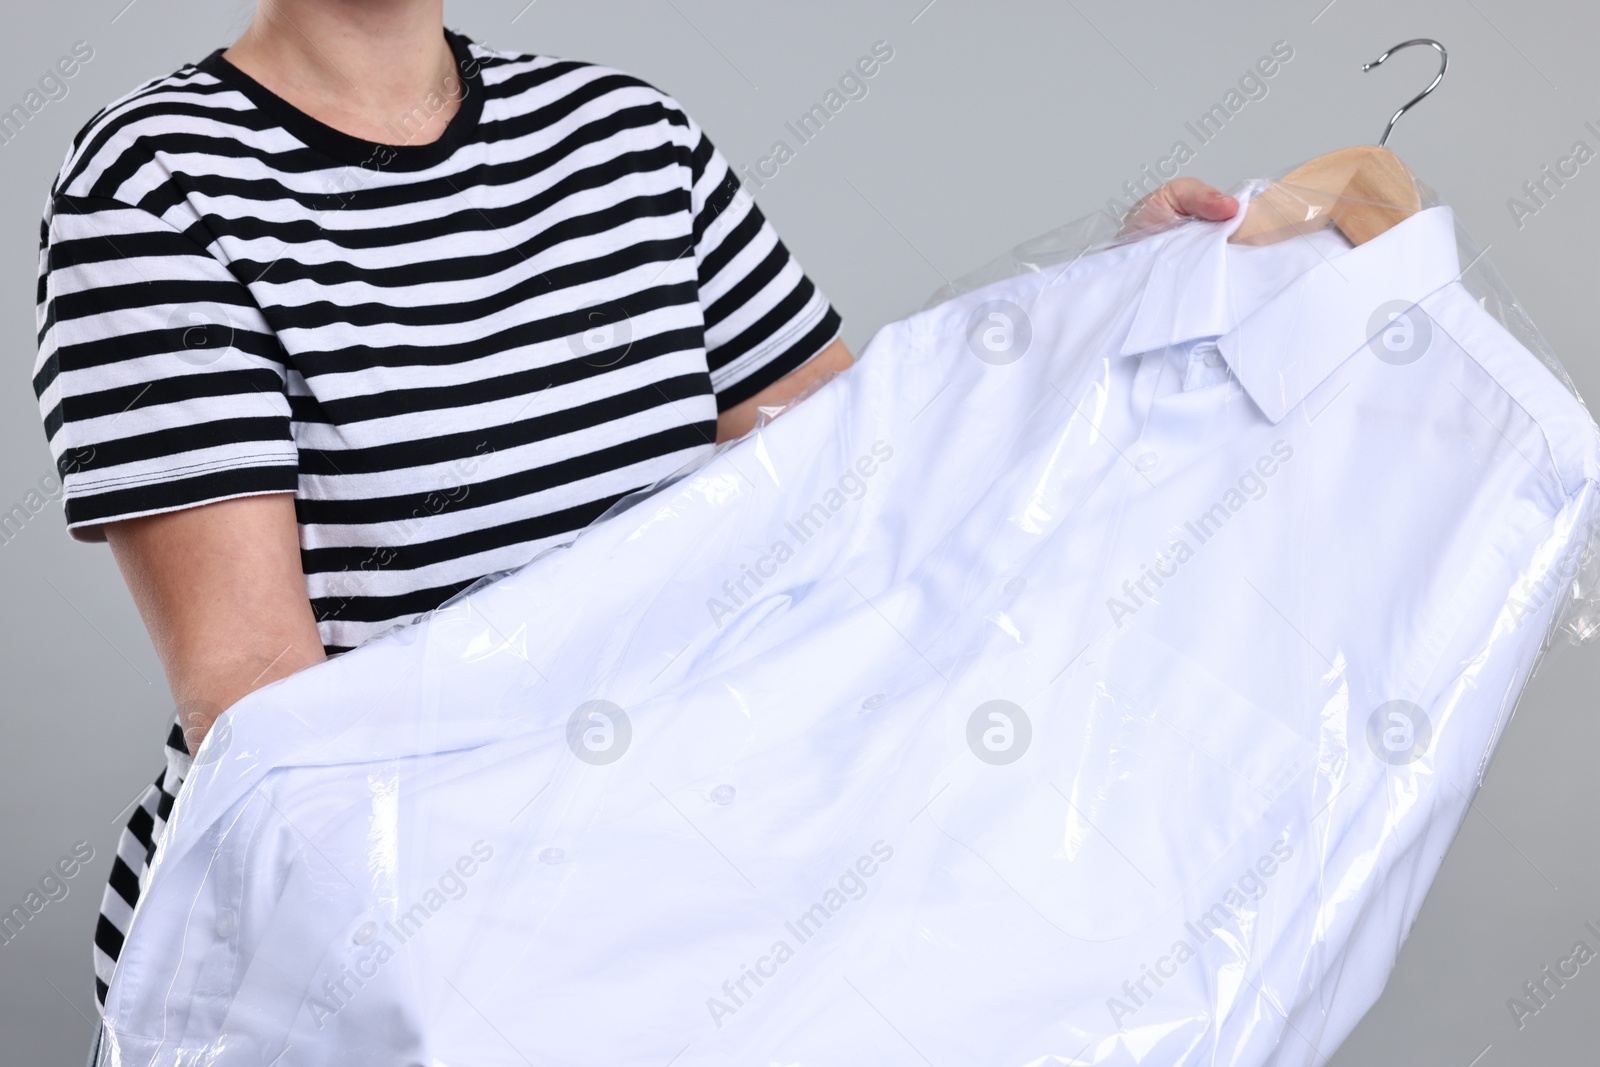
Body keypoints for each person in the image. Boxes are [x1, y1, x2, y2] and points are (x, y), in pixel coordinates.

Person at [31, 0, 1239, 1035]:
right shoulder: (157, 182)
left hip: (642, 901)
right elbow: (252, 688)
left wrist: (1116, 305)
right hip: (347, 945)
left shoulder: (624, 138)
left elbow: (871, 472)